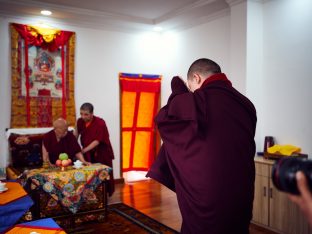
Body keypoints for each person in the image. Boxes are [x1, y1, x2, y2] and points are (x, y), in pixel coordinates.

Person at [146, 58, 257, 234]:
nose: (191, 92)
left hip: (210, 194)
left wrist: (178, 89)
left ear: (196, 78)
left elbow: (165, 119)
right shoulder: (246, 103)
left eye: (191, 87)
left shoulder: (199, 99)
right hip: (242, 190)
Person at [76, 103, 115, 195]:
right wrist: (75, 148)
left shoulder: (100, 123)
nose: (83, 116)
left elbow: (97, 141)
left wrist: (83, 150)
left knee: (103, 174)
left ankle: (103, 195)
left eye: (86, 114)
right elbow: (76, 134)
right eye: (81, 114)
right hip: (88, 152)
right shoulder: (80, 121)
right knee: (89, 175)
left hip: (102, 152)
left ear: (92, 113)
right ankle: (90, 195)